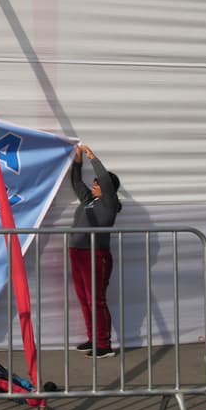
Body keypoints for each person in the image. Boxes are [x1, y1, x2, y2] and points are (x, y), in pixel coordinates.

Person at [69, 144, 121, 359]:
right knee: (84, 298)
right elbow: (75, 182)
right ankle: (93, 338)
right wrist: (78, 160)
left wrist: (93, 158)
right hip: (78, 252)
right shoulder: (89, 200)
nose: (94, 185)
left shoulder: (110, 203)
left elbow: (107, 183)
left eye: (97, 183)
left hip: (95, 255)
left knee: (95, 299)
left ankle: (104, 344)